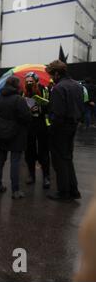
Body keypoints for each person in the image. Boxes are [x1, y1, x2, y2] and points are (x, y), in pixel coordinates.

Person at [45, 60, 85, 202]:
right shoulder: (77, 85)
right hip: (73, 125)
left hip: (60, 128)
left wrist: (51, 126)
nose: (51, 78)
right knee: (68, 157)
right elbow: (81, 106)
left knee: (59, 160)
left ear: (56, 73)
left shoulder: (58, 88)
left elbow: (58, 113)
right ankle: (74, 190)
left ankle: (63, 192)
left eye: (51, 75)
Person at [0, 76, 31, 199]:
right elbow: (26, 117)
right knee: (15, 161)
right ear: (16, 85)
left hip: (2, 133)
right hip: (17, 134)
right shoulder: (19, 99)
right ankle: (15, 190)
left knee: (1, 159)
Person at [23, 72, 51, 189]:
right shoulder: (23, 92)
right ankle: (31, 174)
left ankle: (46, 176)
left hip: (42, 123)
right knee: (29, 150)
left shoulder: (44, 89)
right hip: (29, 124)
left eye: (31, 81)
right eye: (27, 81)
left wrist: (39, 106)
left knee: (43, 150)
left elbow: (49, 105)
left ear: (36, 81)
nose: (29, 83)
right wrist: (27, 109)